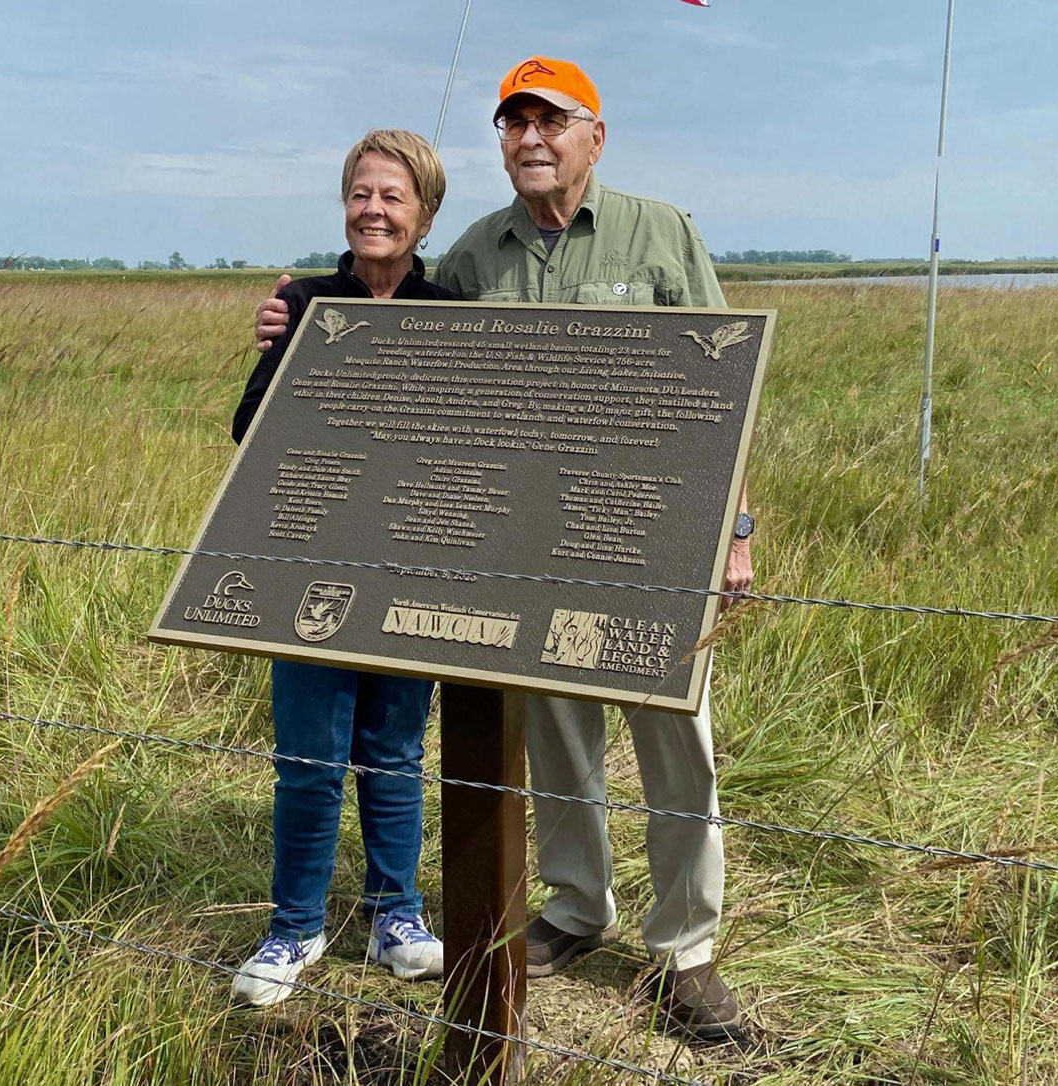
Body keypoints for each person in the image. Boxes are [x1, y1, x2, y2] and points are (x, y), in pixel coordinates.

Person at [252, 60, 753, 1041]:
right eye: (514, 122)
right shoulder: (481, 254)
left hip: (658, 532)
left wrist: (734, 530)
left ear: (593, 138)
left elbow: (725, 386)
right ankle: (573, 909)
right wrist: (297, 323)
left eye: (550, 121)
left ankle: (685, 950)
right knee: (558, 735)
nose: (530, 138)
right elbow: (402, 335)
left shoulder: (663, 235)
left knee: (675, 744)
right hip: (538, 541)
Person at [230, 129, 461, 1007]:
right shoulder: (303, 302)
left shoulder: (456, 308)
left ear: (425, 215)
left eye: (393, 197)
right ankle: (294, 927)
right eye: (361, 193)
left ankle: (396, 913)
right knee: (309, 758)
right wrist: (279, 354)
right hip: (311, 565)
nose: (374, 210)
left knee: (397, 751)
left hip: (413, 565)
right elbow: (250, 434)